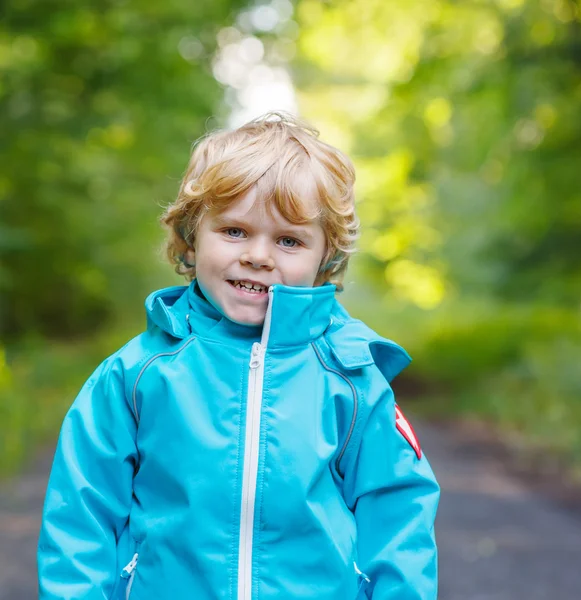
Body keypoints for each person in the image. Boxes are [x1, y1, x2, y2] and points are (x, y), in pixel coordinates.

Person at [37, 112, 440, 600]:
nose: (259, 256)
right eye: (234, 231)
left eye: (289, 240)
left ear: (325, 257)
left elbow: (398, 518)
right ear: (191, 236)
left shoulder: (351, 379)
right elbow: (81, 517)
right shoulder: (135, 376)